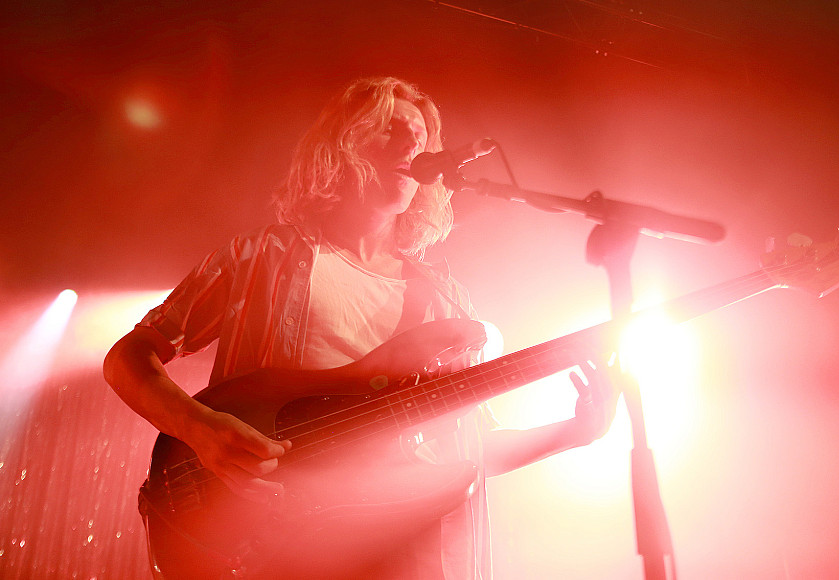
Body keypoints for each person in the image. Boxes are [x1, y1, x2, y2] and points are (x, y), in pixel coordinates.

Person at [104, 76, 623, 580]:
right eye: (388, 129)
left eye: (419, 136)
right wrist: (199, 428)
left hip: (395, 554)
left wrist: (575, 432)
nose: (411, 144)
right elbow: (126, 358)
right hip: (260, 541)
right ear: (340, 146)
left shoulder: (446, 303)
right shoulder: (262, 256)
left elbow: (468, 448)